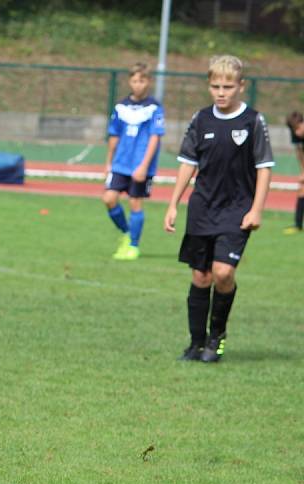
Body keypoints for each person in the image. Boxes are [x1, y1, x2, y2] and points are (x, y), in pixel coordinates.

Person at [164, 55, 273, 362]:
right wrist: (173, 203)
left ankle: (217, 337)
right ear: (208, 86)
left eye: (228, 86)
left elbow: (264, 168)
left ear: (241, 86)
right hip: (202, 208)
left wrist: (257, 210)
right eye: (215, 86)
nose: (221, 92)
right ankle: (196, 343)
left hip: (237, 210)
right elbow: (188, 164)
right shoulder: (201, 119)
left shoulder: (253, 121)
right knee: (201, 276)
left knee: (223, 273)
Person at [102, 62, 165, 260]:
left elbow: (155, 137)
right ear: (130, 81)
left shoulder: (154, 108)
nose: (138, 84)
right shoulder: (121, 107)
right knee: (109, 199)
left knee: (135, 203)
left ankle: (133, 246)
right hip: (120, 163)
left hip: (139, 165)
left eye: (142, 80)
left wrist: (144, 166)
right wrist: (108, 163)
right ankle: (127, 232)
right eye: (135, 80)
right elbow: (114, 136)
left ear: (149, 82)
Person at [283, 110, 304, 234]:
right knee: (302, 189)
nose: (297, 132)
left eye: (298, 128)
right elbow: (300, 153)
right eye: (293, 129)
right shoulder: (295, 134)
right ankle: (297, 225)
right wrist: (302, 171)